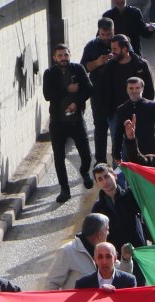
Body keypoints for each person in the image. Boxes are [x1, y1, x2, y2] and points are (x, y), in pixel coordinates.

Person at [44, 43, 94, 204]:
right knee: (59, 157)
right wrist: (67, 90)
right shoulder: (49, 73)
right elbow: (48, 94)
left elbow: (88, 89)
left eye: (65, 55)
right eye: (60, 56)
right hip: (58, 122)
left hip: (76, 120)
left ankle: (84, 171)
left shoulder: (78, 69)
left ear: (69, 55)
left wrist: (76, 103)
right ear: (54, 58)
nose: (63, 58)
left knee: (85, 153)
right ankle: (64, 189)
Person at [100, 35, 155, 164]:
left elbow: (150, 91)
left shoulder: (141, 64)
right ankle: (119, 181)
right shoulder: (109, 66)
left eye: (115, 49)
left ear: (125, 49)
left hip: (138, 113)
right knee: (118, 147)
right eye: (111, 48)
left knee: (138, 146)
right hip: (116, 114)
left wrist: (146, 108)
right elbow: (104, 91)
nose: (112, 52)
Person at [82, 18, 117, 164]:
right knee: (100, 128)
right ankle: (101, 161)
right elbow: (83, 68)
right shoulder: (91, 46)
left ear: (113, 31)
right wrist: (98, 62)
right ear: (99, 32)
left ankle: (118, 160)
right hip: (99, 93)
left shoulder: (120, 43)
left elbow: (132, 59)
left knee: (117, 128)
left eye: (109, 34)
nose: (106, 38)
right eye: (103, 35)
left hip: (117, 92)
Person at [45, 213, 110, 290]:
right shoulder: (67, 251)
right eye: (107, 230)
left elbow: (118, 274)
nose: (108, 233)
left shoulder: (106, 250)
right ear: (100, 234)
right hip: (74, 301)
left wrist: (125, 260)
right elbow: (51, 284)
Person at [114, 78, 155, 159]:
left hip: (151, 152)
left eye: (137, 88)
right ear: (127, 89)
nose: (134, 91)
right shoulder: (121, 109)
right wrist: (116, 154)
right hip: (130, 153)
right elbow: (118, 135)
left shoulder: (152, 106)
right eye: (131, 88)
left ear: (142, 89)